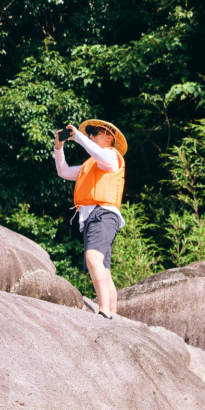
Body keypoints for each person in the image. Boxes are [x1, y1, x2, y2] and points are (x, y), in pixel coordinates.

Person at [54, 120, 127, 319]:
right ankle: (111, 312)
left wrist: (78, 137)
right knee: (103, 267)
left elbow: (101, 155)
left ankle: (103, 311)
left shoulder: (111, 156)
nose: (91, 136)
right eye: (89, 133)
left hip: (103, 213)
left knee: (93, 258)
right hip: (94, 216)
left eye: (94, 132)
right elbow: (63, 171)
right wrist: (58, 148)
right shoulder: (90, 165)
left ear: (109, 137)